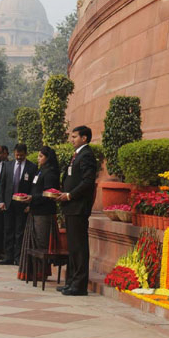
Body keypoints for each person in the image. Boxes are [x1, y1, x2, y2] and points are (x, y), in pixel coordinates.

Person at [56, 126, 98, 296]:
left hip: (78, 207)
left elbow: (87, 182)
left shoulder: (86, 155)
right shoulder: (77, 155)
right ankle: (71, 282)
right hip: (70, 207)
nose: (71, 139)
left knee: (79, 247)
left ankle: (79, 285)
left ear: (84, 138)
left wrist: (70, 195)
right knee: (72, 247)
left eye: (74, 137)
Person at [18, 146, 60, 281]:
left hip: (44, 213)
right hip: (35, 211)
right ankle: (31, 272)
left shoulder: (51, 173)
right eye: (38, 156)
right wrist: (29, 202)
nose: (38, 159)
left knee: (41, 243)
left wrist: (33, 199)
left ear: (48, 158)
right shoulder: (40, 171)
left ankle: (41, 273)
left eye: (41, 156)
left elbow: (49, 194)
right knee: (33, 243)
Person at [0, 143, 37, 265]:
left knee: (20, 231)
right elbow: (2, 185)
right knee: (8, 230)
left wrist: (30, 204)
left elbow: (33, 187)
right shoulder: (7, 165)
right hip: (8, 203)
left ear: (25, 154)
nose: (19, 157)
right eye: (17, 155)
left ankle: (18, 257)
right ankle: (8, 256)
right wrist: (1, 201)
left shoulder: (32, 167)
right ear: (13, 153)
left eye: (21, 155)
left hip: (23, 204)